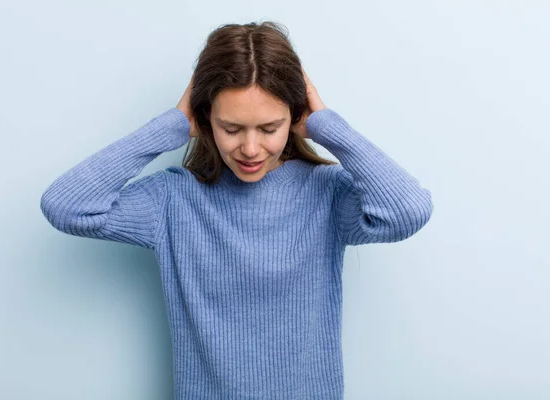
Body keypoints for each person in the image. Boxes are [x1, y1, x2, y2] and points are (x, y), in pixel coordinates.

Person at [40, 21, 433, 400]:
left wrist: (330, 128)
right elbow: (66, 206)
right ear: (206, 119)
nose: (249, 149)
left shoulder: (325, 194)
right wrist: (171, 126)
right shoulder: (173, 199)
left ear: (296, 119)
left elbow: (407, 212)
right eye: (231, 128)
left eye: (268, 128)